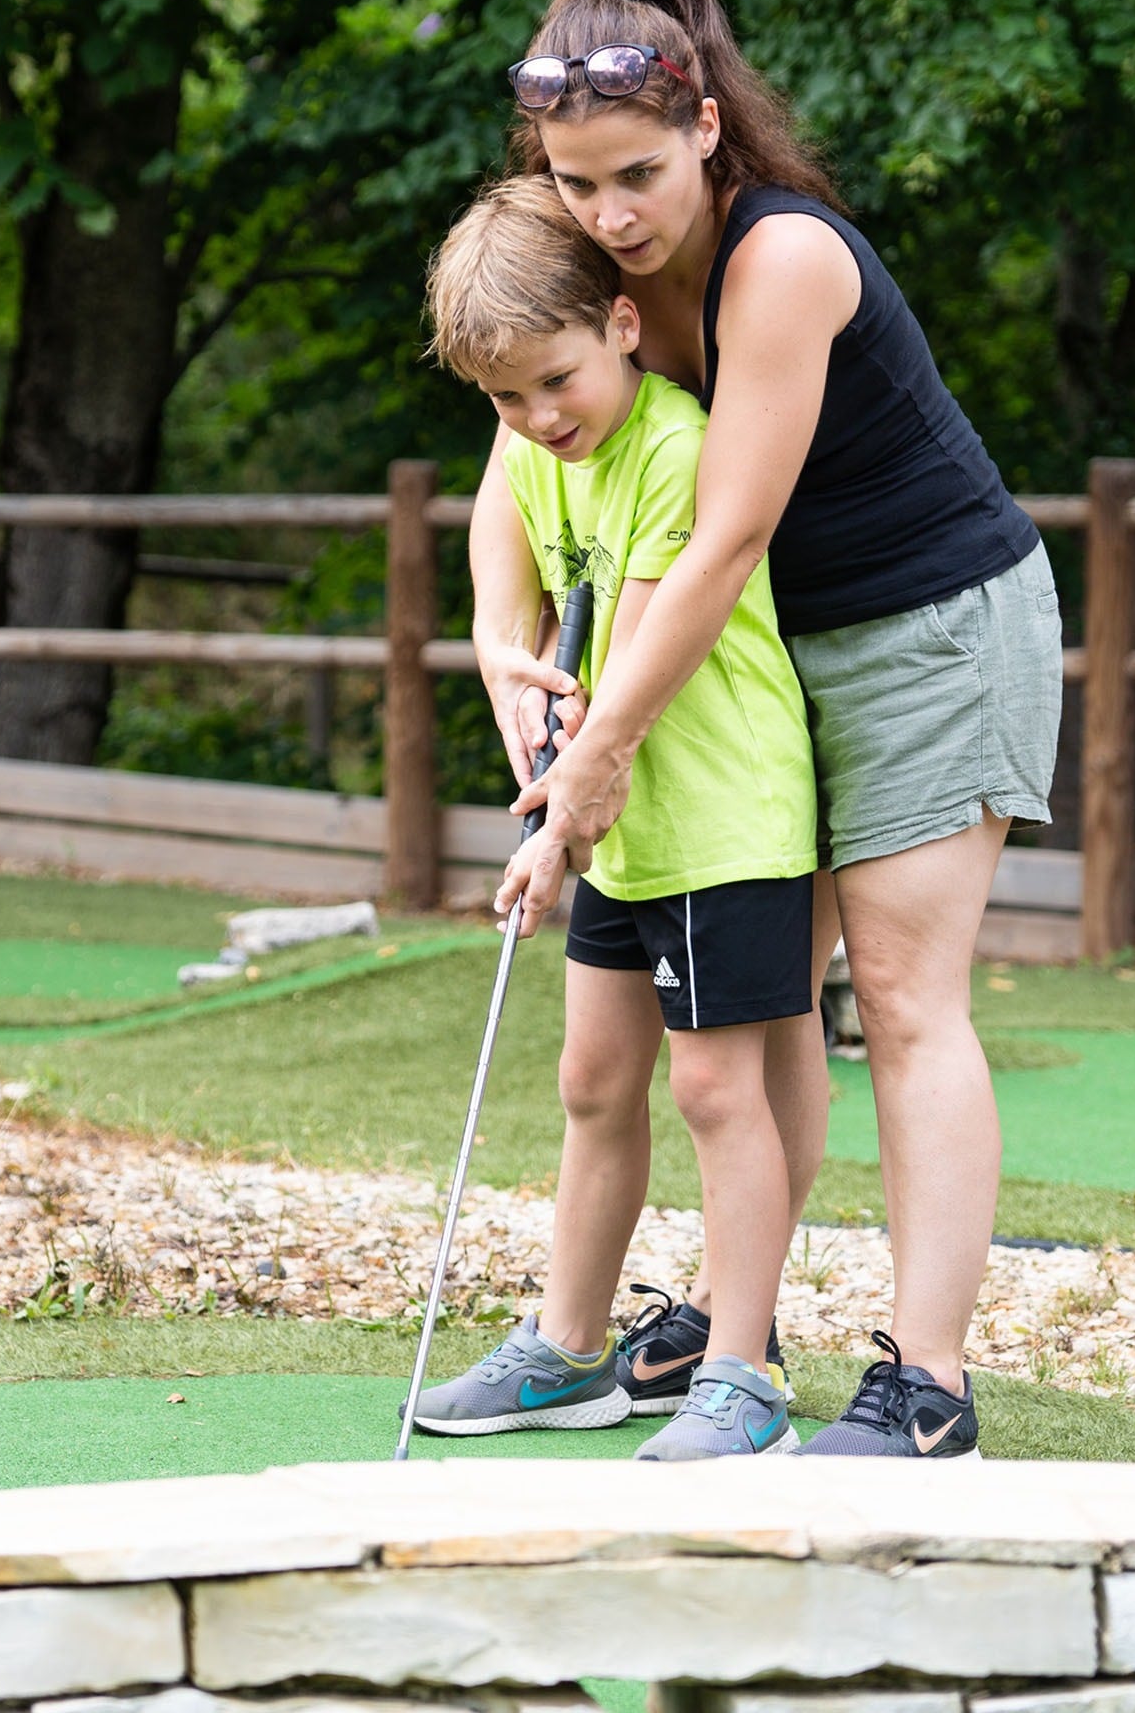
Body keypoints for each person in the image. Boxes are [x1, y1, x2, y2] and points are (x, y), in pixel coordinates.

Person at [476, 0, 1062, 1459]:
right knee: (764, 1005)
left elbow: (726, 535)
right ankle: (745, 1345)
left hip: (928, 631)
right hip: (765, 666)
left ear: (709, 128)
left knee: (905, 999)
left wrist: (598, 749)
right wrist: (501, 639)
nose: (609, 215)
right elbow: (510, 453)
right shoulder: (583, 251)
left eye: (639, 177)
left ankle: (928, 1385)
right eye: (576, 183)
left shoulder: (780, 258)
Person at [409, 176, 821, 1461]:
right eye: (505, 401)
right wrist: (508, 670)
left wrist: (549, 832)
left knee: (713, 1086)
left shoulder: (674, 445)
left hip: (723, 814)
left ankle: (742, 1369)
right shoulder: (544, 453)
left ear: (623, 330)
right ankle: (571, 1351)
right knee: (594, 1079)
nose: (536, 418)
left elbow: (637, 652)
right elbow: (512, 561)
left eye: (554, 381)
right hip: (627, 828)